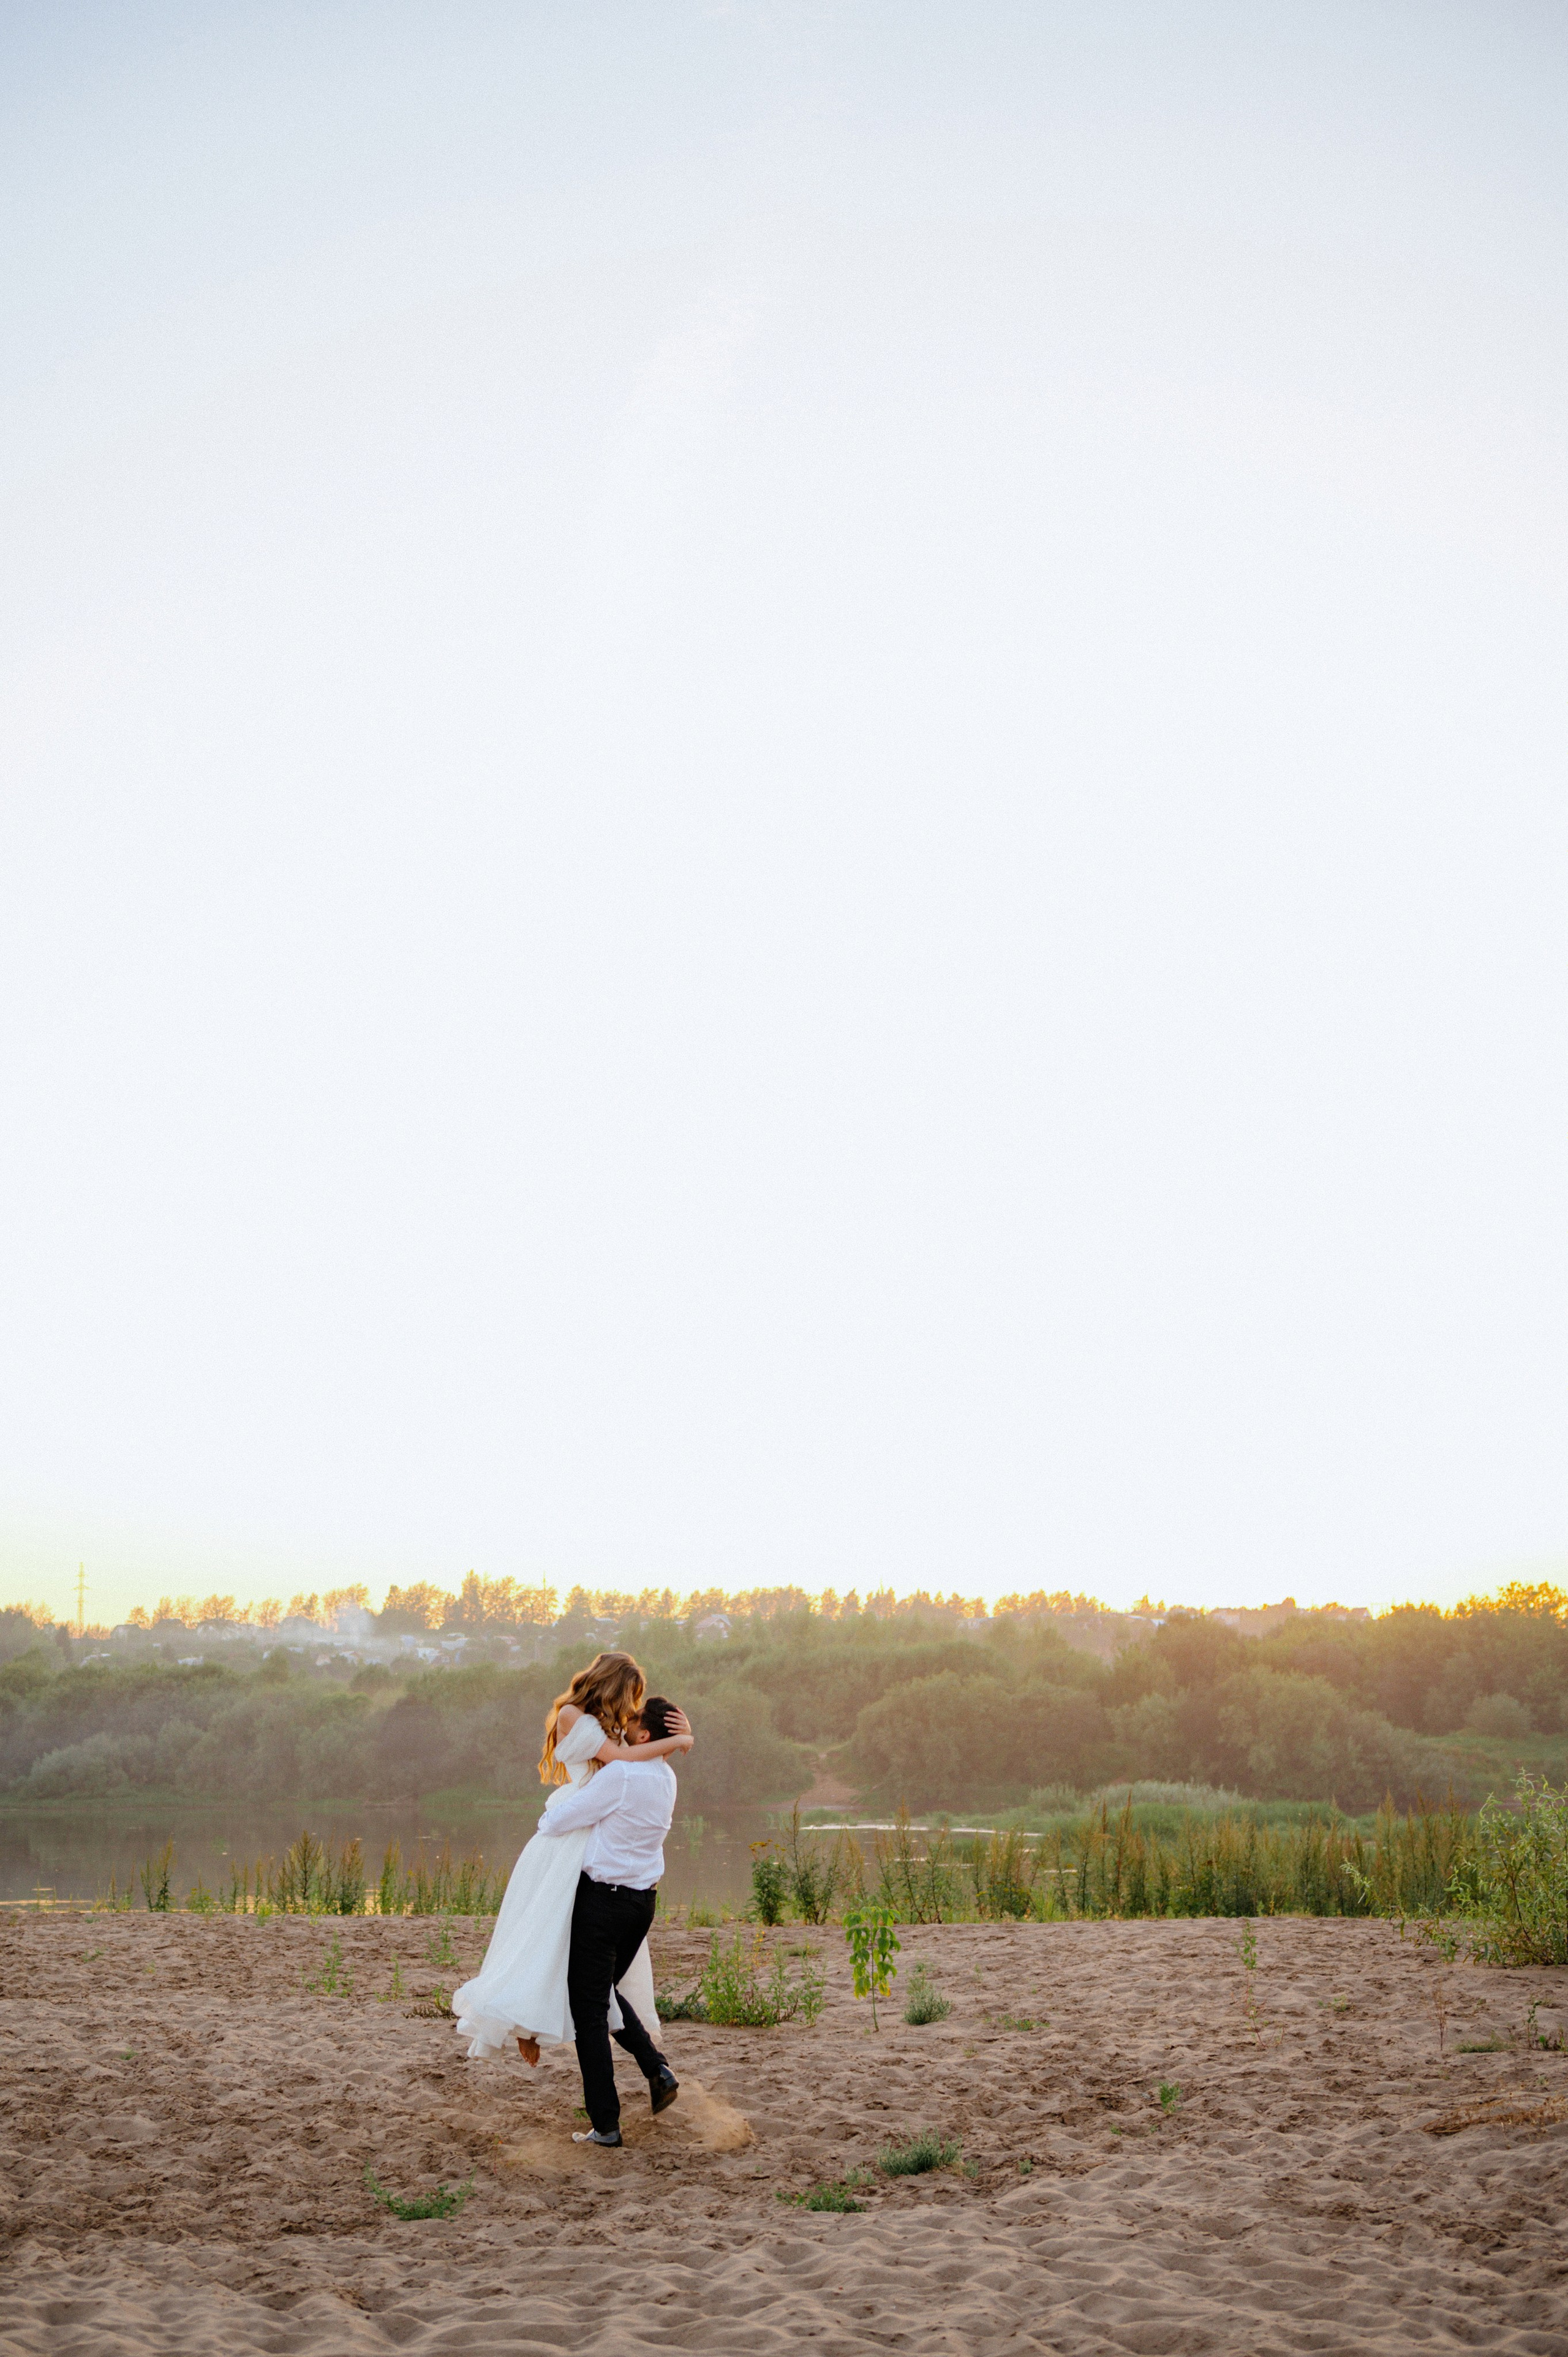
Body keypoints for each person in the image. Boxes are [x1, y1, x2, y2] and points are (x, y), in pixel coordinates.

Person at [450, 1653, 692, 2069]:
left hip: (592, 1825)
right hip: (570, 1829)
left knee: (578, 1952)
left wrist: (674, 1736)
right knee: (547, 1931)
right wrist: (679, 1742)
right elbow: (624, 1761)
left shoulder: (609, 1725)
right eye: (630, 1696)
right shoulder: (572, 1715)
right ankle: (528, 2027)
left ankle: (548, 2032)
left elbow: (636, 1763)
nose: (633, 1708)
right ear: (613, 1686)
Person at [536, 1691, 685, 2148]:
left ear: (643, 1735)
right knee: (603, 1994)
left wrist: (560, 1803)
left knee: (589, 2015)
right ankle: (656, 2067)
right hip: (642, 1905)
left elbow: (559, 1822)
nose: (623, 1722)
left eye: (633, 1719)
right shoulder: (667, 1778)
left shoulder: (620, 1775)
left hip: (603, 1903)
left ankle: (606, 2124)